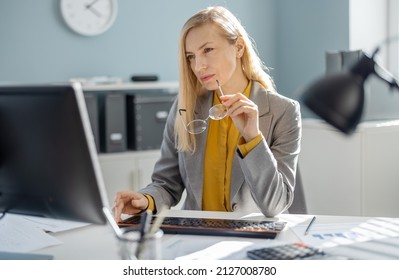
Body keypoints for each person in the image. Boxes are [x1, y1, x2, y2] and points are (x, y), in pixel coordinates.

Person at [114, 6, 301, 221]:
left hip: (252, 240)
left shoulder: (283, 112)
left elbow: (275, 205)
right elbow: (167, 183)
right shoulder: (184, 107)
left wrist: (253, 138)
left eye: (208, 50)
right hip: (197, 238)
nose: (199, 66)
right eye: (191, 56)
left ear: (238, 47)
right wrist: (146, 200)